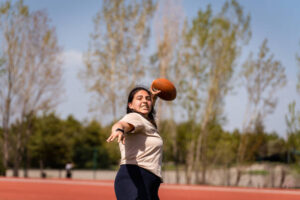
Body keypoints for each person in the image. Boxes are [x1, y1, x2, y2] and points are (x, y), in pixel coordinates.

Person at [106, 86, 162, 200]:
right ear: (130, 105)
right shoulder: (134, 117)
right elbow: (122, 124)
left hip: (149, 181)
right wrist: (118, 130)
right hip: (134, 177)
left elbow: (147, 114)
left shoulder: (147, 122)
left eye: (147, 99)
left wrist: (153, 98)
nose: (144, 101)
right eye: (139, 98)